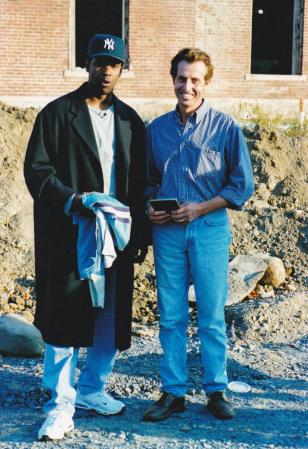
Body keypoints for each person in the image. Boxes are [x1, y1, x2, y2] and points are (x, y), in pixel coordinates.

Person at [24, 34, 150, 441]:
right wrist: (74, 200)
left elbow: (141, 182)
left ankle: (93, 388)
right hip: (71, 232)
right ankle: (60, 403)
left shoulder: (130, 120)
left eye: (113, 64)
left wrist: (141, 236)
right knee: (65, 316)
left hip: (117, 233)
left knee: (110, 316)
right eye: (99, 62)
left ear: (121, 68)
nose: (106, 70)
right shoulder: (58, 114)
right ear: (87, 64)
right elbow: (38, 172)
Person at [143, 47, 254, 422]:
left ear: (206, 83)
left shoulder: (225, 128)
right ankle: (173, 393)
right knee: (170, 316)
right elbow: (147, 181)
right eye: (181, 78)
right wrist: (149, 207)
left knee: (210, 315)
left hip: (209, 230)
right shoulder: (155, 129)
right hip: (168, 234)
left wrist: (201, 207)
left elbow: (242, 186)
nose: (186, 86)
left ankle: (216, 391)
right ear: (172, 78)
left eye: (194, 80)